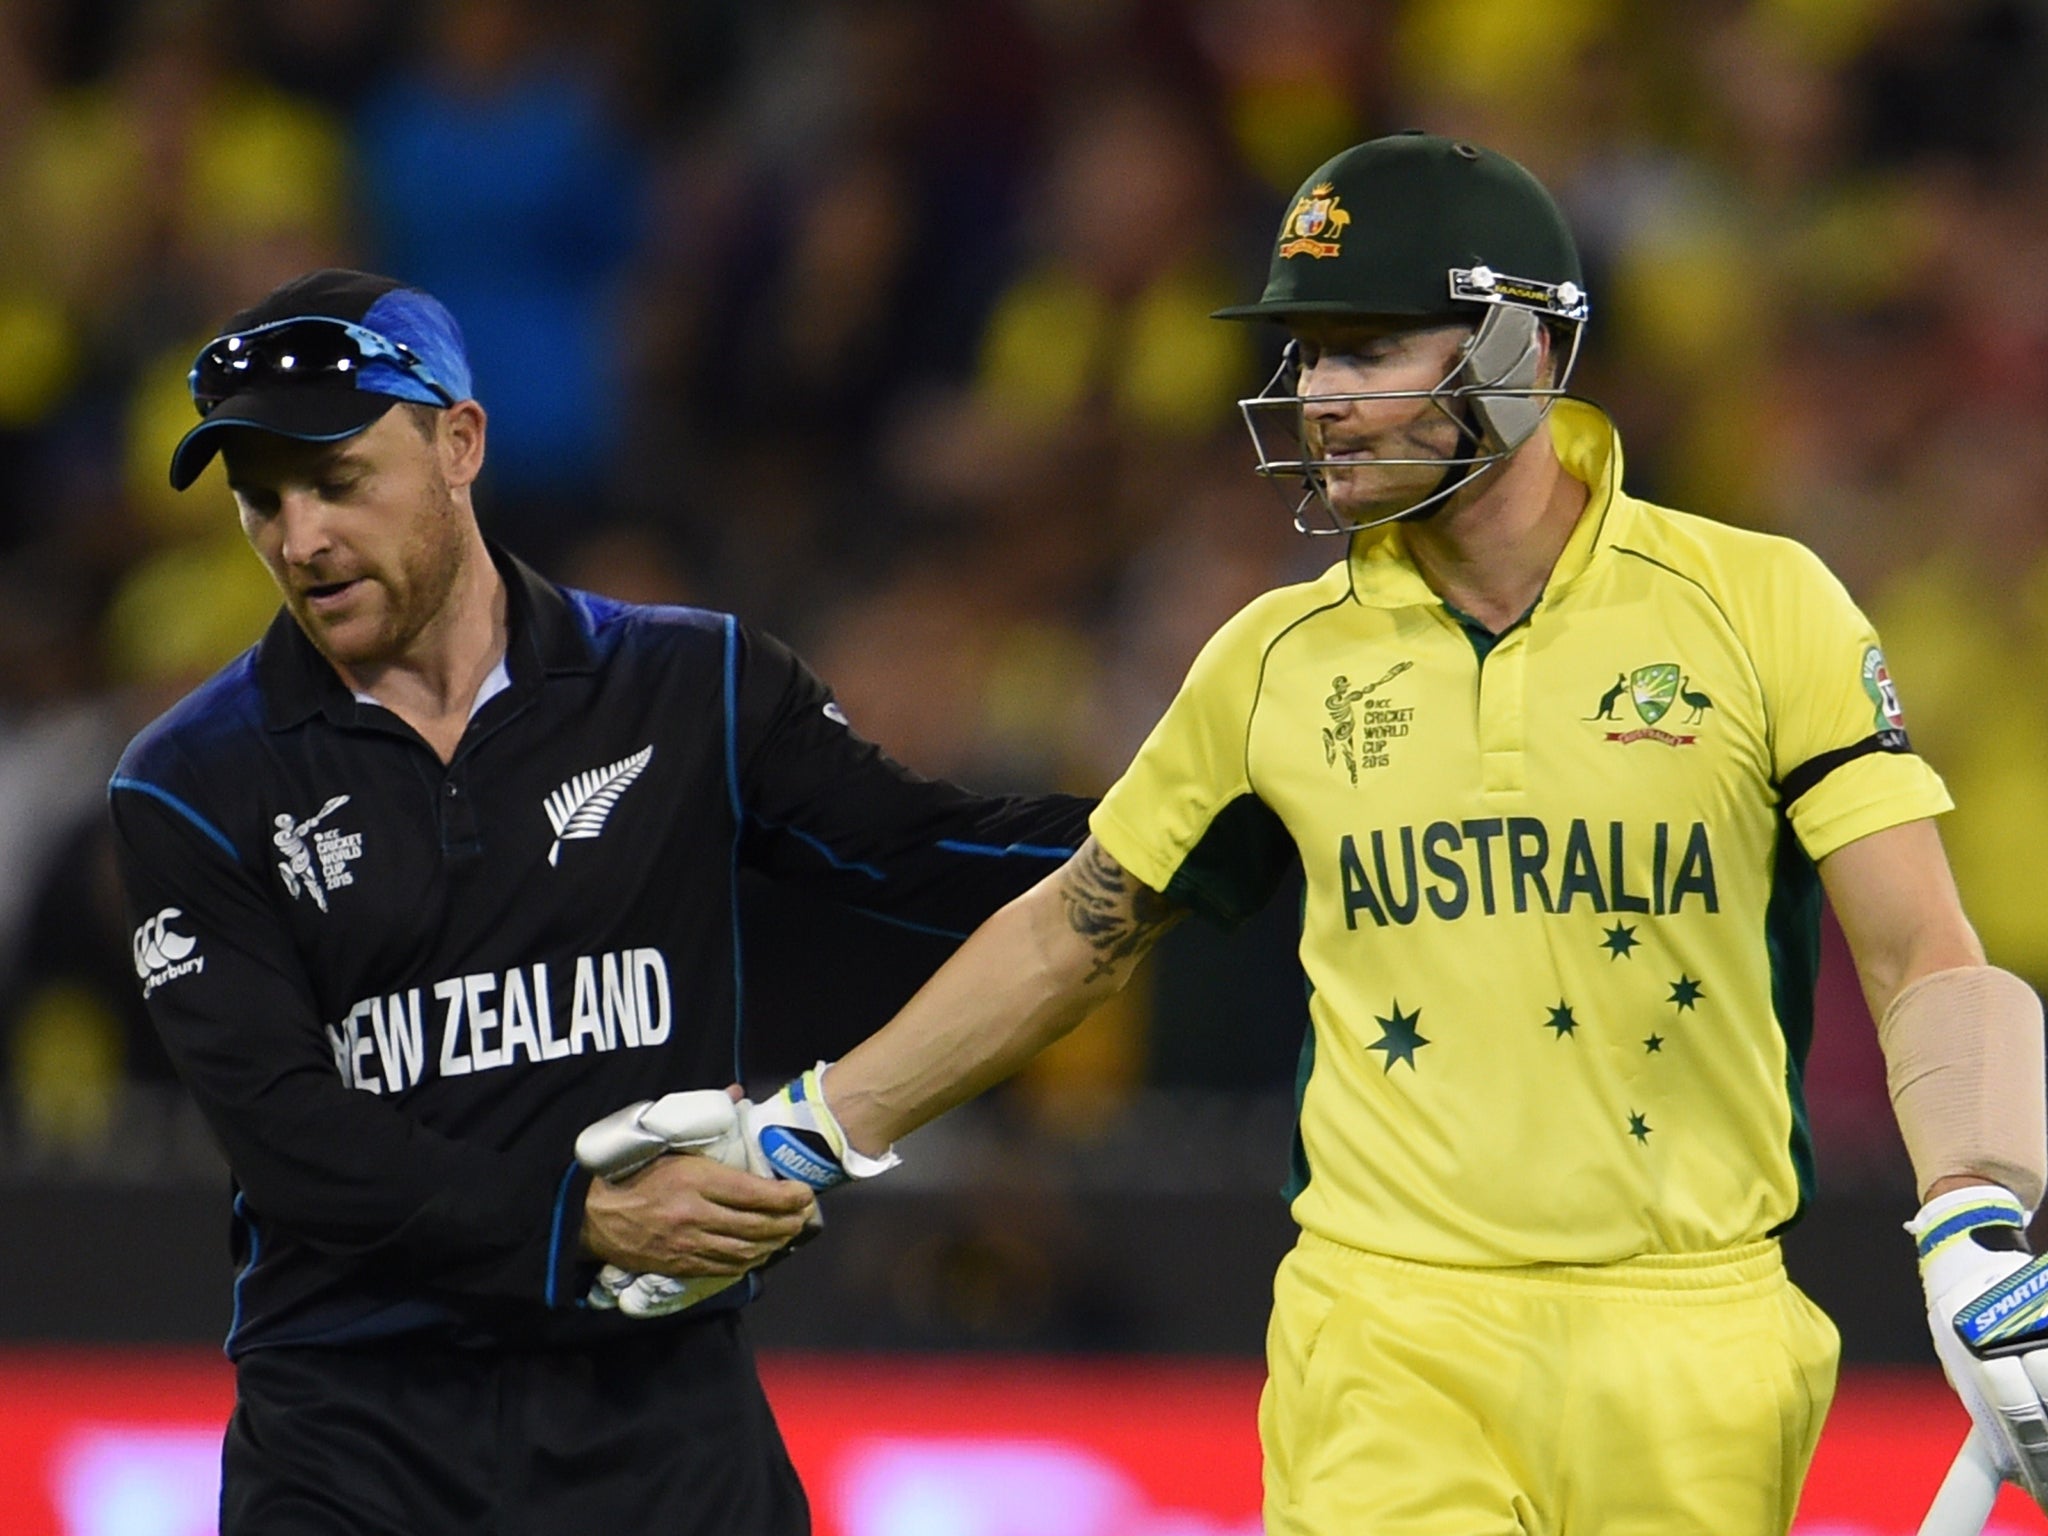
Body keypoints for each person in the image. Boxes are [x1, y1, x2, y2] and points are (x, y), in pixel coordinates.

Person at [716, 134, 2048, 1532]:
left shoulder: (1766, 606)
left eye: (1362, 351)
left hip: (1699, 1336)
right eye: (1302, 356)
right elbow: (1072, 933)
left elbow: (1922, 953)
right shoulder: (1271, 660)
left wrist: (1972, 1217)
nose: (1314, 399)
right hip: (1387, 1334)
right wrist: (805, 1130)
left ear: (1520, 351)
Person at [107, 267, 1091, 1536]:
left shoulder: (691, 685)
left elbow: (935, 860)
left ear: (459, 442)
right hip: (355, 1445)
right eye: (263, 500)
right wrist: (585, 1220)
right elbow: (291, 1140)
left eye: (338, 481)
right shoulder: (193, 782)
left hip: (661, 1427)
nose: (300, 539)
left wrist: (1222, 811)